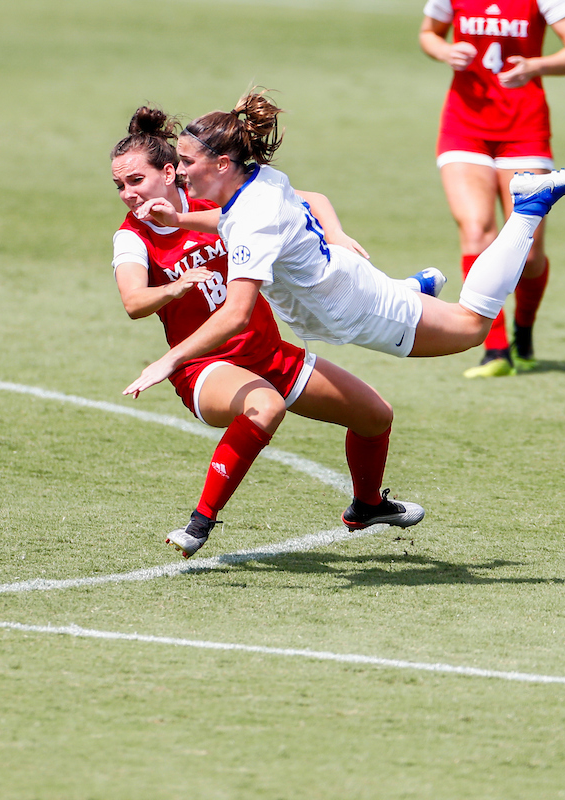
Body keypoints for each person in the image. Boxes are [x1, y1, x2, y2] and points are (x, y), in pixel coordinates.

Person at [124, 91, 565, 408]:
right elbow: (253, 218)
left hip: (354, 305)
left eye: (186, 161)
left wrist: (170, 359)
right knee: (422, 308)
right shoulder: (256, 181)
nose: (179, 170)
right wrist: (181, 218)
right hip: (342, 283)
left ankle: (527, 206)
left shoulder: (251, 217)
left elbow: (236, 314)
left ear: (222, 163)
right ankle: (413, 288)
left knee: (471, 328)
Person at [111, 106, 426, 559]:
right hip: (205, 367)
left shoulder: (216, 194)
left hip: (268, 354)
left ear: (169, 173)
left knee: (375, 415)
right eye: (119, 186)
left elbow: (308, 199)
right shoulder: (131, 237)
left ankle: (367, 505)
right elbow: (133, 302)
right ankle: (199, 523)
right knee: (265, 405)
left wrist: (333, 233)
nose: (127, 194)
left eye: (135, 181)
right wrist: (175, 288)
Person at [419, 0, 565, 377]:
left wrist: (536, 66)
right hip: (464, 126)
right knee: (476, 229)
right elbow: (428, 35)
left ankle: (524, 332)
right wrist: (445, 50)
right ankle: (494, 350)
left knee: (528, 254)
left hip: (525, 128)